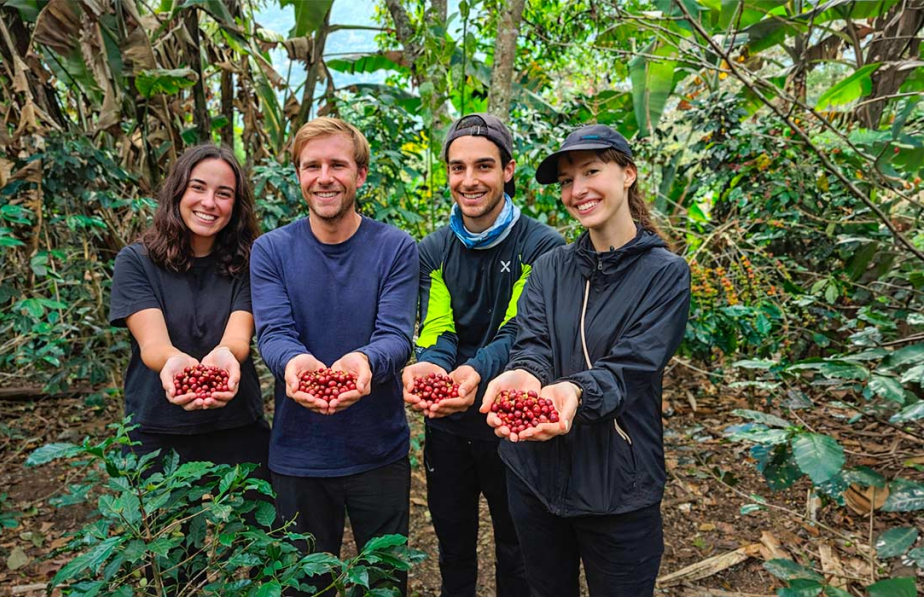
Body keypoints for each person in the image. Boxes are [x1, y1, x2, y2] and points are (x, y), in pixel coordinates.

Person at [480, 124, 691, 597]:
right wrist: (522, 375)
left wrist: (574, 391)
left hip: (617, 488)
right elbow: (532, 342)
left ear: (628, 174)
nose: (578, 190)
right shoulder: (551, 267)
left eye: (592, 172)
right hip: (533, 476)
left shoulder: (665, 274)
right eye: (567, 182)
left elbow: (632, 367)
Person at [250, 117, 418, 595]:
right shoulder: (272, 250)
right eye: (311, 166)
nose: (324, 177)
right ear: (299, 176)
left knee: (383, 584)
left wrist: (361, 363)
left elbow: (395, 335)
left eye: (337, 165)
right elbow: (275, 332)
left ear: (360, 175)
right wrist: (296, 365)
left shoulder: (394, 247)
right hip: (299, 454)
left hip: (377, 451)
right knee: (301, 584)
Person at [401, 114, 563, 597]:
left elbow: (521, 331)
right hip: (448, 426)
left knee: (518, 548)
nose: (469, 181)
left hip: (510, 421)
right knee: (454, 547)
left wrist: (472, 373)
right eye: (457, 168)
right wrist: (432, 364)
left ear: (508, 170)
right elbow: (438, 328)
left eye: (483, 166)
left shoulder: (543, 247)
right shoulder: (432, 250)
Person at [109, 144, 269, 475]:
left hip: (237, 427)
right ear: (178, 191)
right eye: (198, 188)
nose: (209, 203)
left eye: (223, 194)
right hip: (156, 428)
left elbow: (238, 336)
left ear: (235, 206)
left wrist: (223, 356)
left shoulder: (252, 262)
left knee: (258, 526)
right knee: (155, 528)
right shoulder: (136, 262)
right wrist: (174, 363)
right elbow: (152, 343)